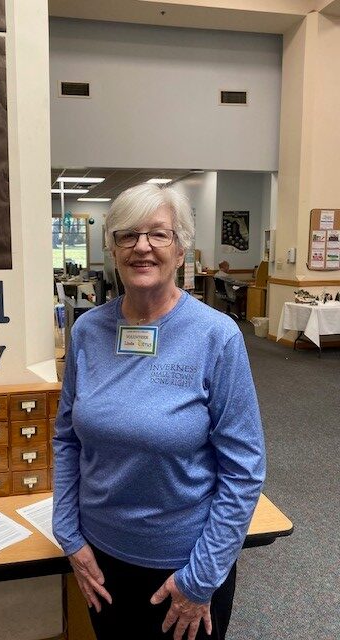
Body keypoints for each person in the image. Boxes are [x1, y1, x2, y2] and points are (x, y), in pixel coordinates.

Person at [53, 183, 266, 640]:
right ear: (112, 248)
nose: (141, 246)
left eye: (158, 234)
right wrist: (69, 535)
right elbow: (67, 439)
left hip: (184, 567)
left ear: (181, 246)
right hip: (100, 560)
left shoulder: (217, 337)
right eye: (127, 235)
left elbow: (244, 469)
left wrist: (202, 577)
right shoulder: (88, 331)